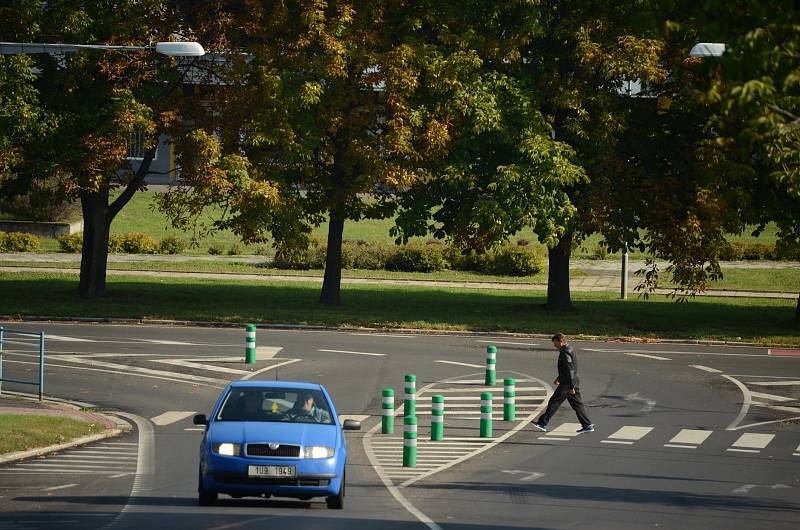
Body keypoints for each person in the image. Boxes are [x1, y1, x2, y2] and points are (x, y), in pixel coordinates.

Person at [531, 333, 594, 434]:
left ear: (560, 341)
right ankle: (587, 425)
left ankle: (542, 422)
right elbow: (568, 369)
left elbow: (570, 370)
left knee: (554, 402)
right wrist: (559, 378)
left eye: (555, 343)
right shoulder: (570, 349)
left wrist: (571, 386)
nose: (554, 345)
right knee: (577, 404)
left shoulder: (565, 353)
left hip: (567, 384)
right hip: (572, 381)